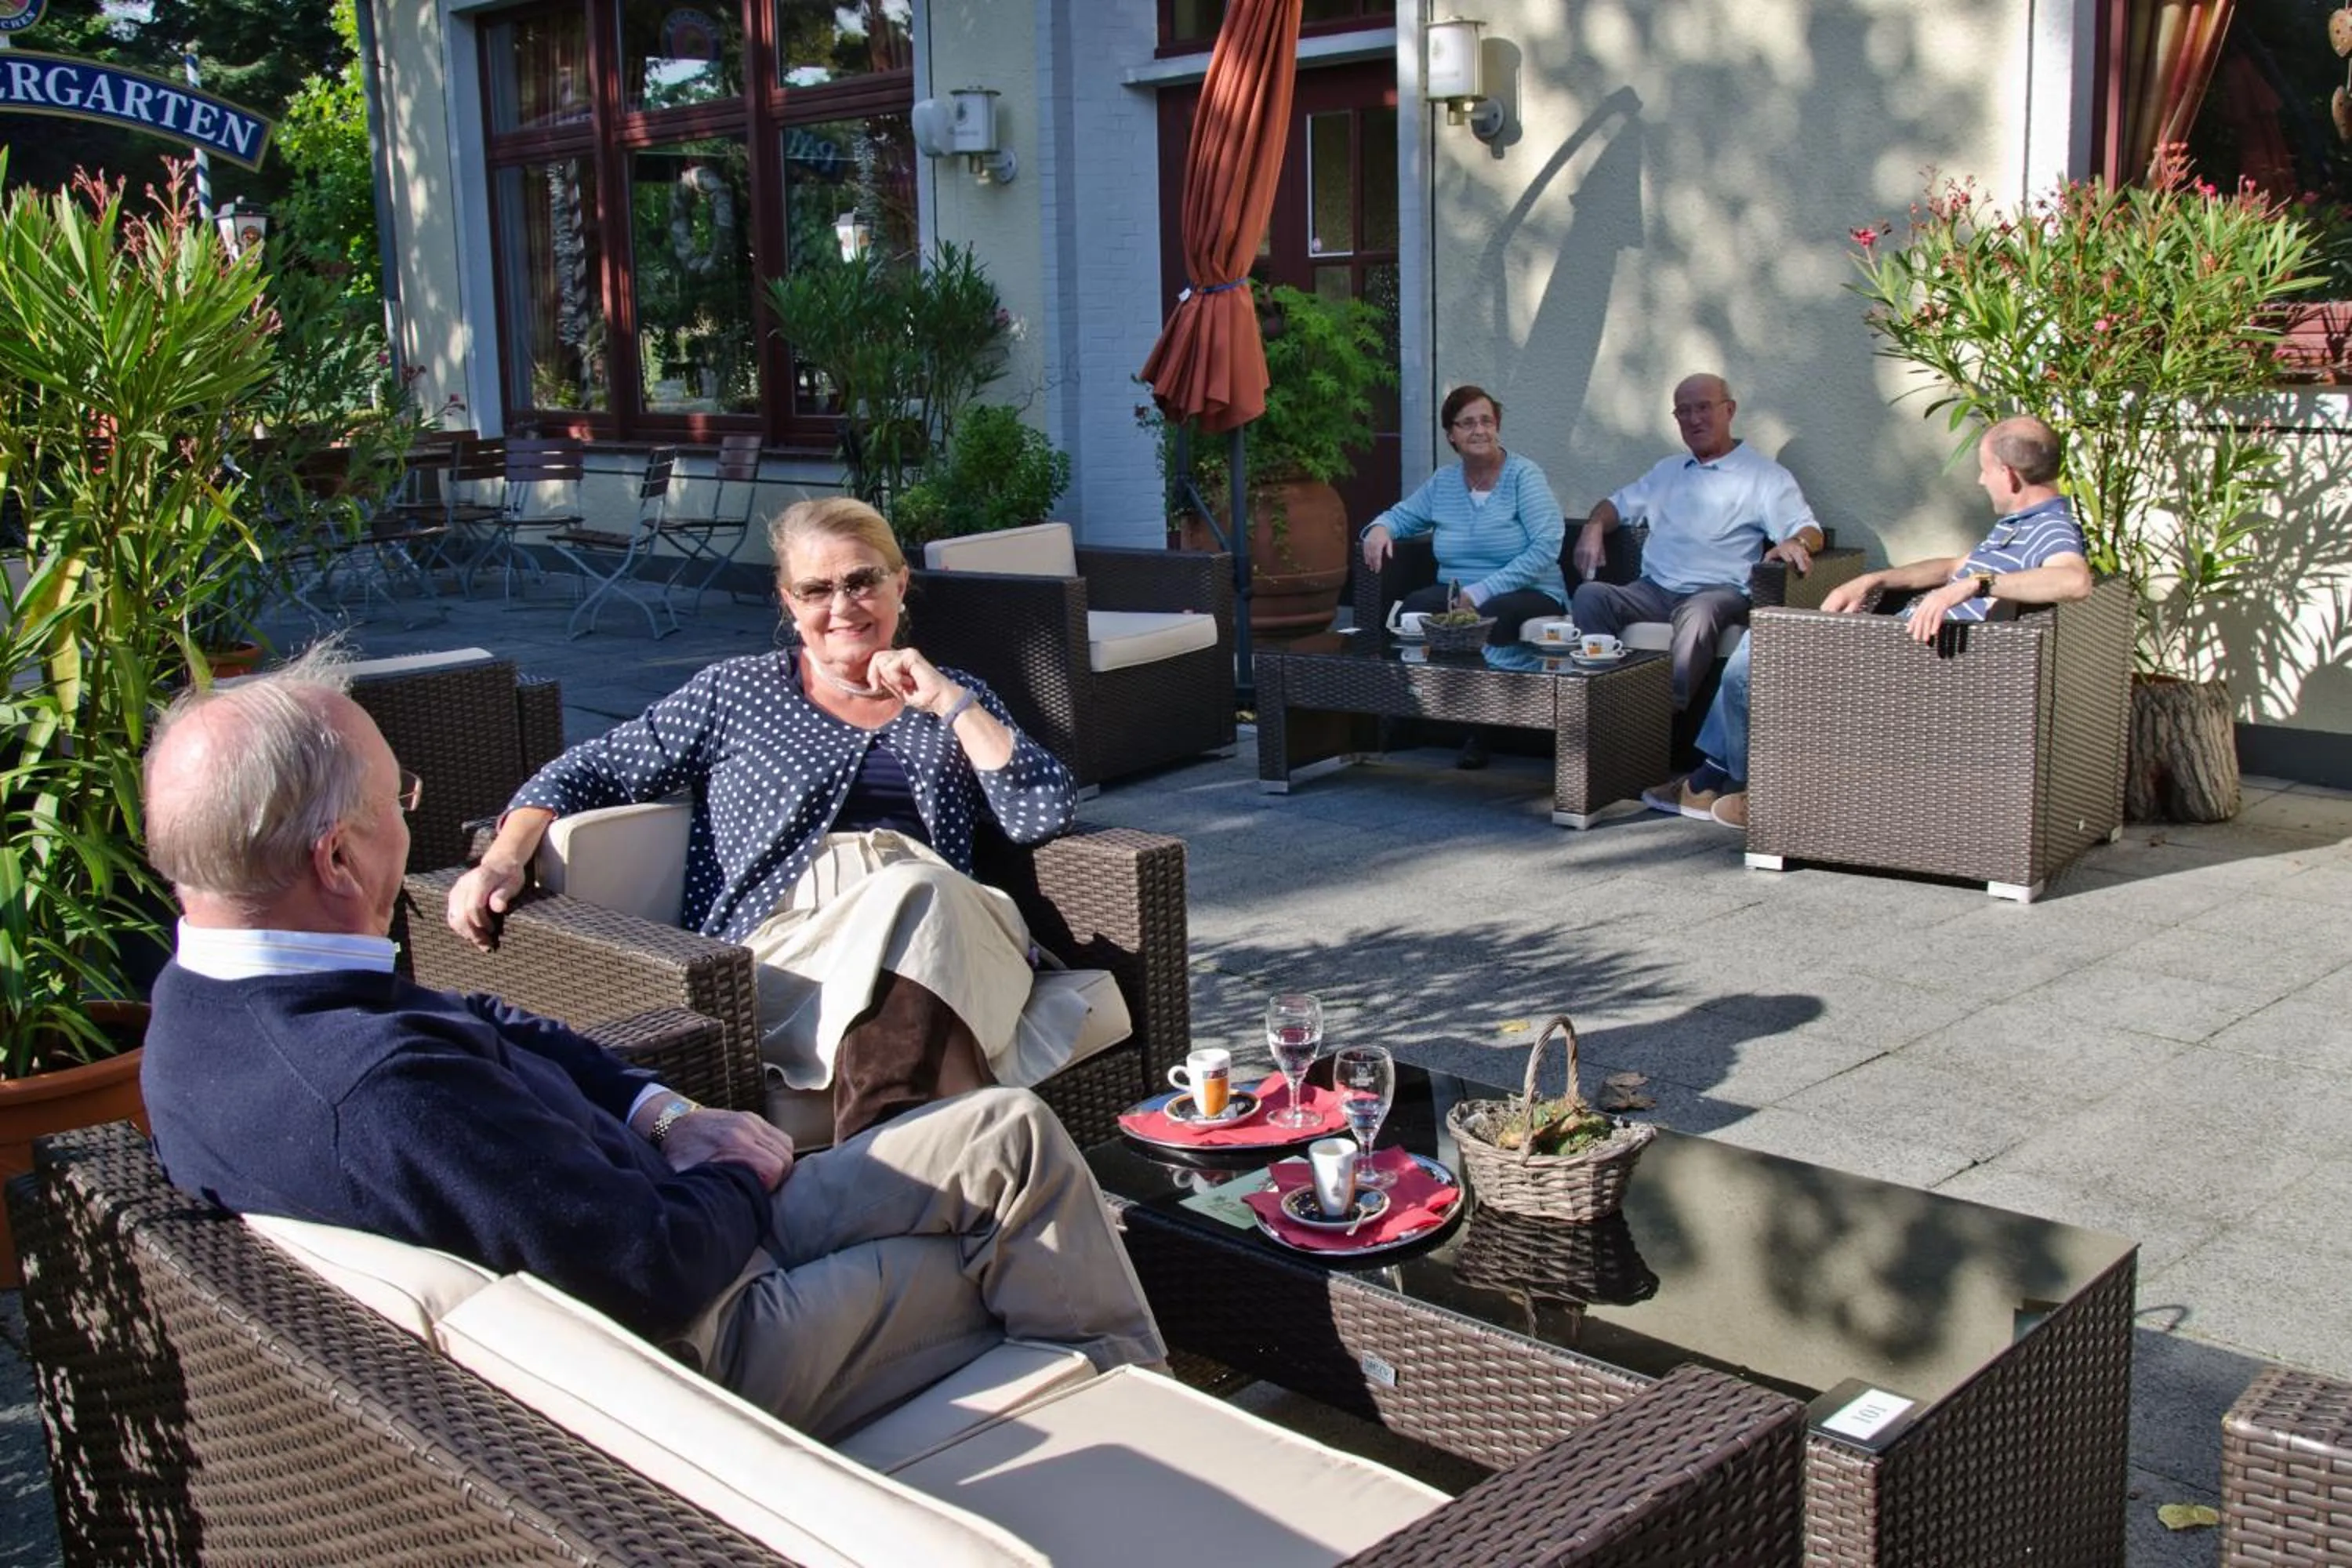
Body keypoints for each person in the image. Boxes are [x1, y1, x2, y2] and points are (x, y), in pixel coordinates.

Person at [137, 648, 1165, 1443]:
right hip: (716, 1328)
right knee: (1040, 1247)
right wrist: (728, 1171)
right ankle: (1150, 1453)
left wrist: (667, 1114)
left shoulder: (208, 1007)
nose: (411, 825)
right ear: (339, 855)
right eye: (399, 802)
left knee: (1011, 1136)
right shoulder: (374, 1088)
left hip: (685, 1213)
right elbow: (651, 1266)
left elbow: (494, 1020)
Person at [449, 497, 1085, 1147]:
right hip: (790, 955)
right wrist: (505, 853)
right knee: (921, 895)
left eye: (862, 580)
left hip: (954, 928)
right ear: (788, 602)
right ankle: (957, 1171)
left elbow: (1042, 812)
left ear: (900, 583)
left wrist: (949, 702)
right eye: (817, 589)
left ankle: (876, 1165)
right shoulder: (737, 692)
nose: (842, 606)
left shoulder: (951, 693)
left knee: (922, 891)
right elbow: (587, 770)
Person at [1646, 413, 2094, 827]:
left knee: (1760, 649)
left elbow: (2074, 581)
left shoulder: (2051, 529)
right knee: (1766, 641)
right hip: (1901, 643)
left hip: (1913, 666)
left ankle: (1727, 783)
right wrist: (1876, 579)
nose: (1980, 479)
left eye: (1985, 469)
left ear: (2011, 476)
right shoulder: (2020, 523)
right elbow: (1956, 565)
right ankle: (1722, 780)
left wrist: (1977, 585)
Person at [1570, 373, 1824, 710]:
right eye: (1683, 412)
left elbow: (1810, 530)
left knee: (1699, 611)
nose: (1694, 419)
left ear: (1729, 410)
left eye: (1703, 408)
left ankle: (1663, 715)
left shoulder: (1763, 476)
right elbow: (1615, 506)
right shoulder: (1668, 471)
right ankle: (1602, 702)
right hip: (1653, 590)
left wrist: (1798, 544)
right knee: (1591, 595)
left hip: (1718, 592)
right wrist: (1594, 525)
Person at [1359, 384, 1568, 768]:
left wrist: (1482, 590)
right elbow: (1402, 516)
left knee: (1490, 617)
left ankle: (1480, 731)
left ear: (1497, 427)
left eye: (1487, 421)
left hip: (1529, 589)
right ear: (1451, 435)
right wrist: (1378, 528)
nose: (1479, 430)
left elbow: (1546, 547)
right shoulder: (1444, 483)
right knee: (1416, 610)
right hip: (1459, 591)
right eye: (1468, 423)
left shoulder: (1524, 476)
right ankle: (1408, 714)